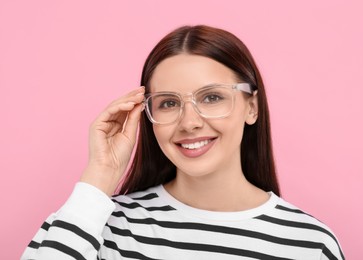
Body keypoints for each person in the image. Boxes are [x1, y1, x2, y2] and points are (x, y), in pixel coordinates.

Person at [22, 25, 344, 260]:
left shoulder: (309, 244)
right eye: (168, 103)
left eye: (212, 97)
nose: (189, 122)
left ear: (251, 107)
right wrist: (99, 176)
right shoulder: (104, 226)